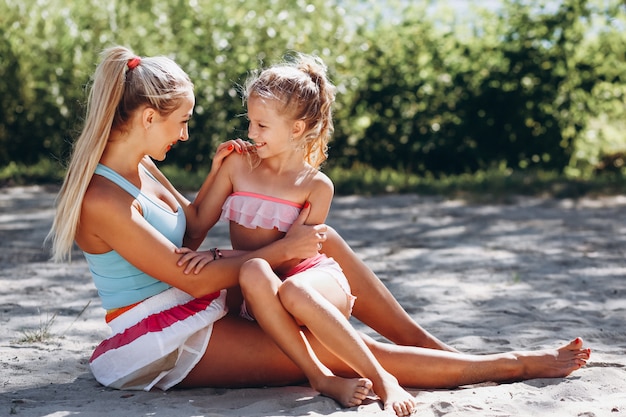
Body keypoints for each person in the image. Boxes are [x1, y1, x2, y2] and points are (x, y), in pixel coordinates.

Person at [46, 45, 590, 414]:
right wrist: (282, 248)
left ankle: (429, 344)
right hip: (163, 333)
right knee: (340, 349)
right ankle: (508, 365)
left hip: (201, 298)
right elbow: (189, 277)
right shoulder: (102, 196)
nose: (186, 134)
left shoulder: (140, 166)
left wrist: (217, 178)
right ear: (147, 118)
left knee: (326, 243)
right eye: (181, 121)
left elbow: (188, 231)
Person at [173, 53, 416, 415]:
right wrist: (215, 171)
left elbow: (294, 255)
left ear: (297, 129)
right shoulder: (238, 165)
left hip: (309, 284)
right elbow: (195, 228)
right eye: (251, 122)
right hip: (261, 293)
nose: (251, 133)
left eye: (262, 125)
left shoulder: (317, 186)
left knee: (293, 287)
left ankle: (384, 379)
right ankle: (319, 377)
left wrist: (219, 256)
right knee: (254, 271)